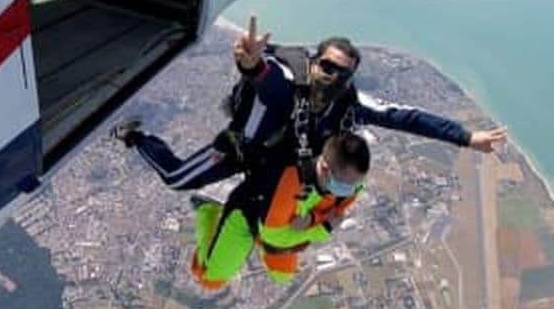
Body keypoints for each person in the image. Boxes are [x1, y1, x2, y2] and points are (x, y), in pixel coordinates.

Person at [113, 16, 506, 189]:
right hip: (240, 152)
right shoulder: (289, 82)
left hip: (282, 164)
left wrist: (465, 137)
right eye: (328, 67)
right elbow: (266, 76)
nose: (333, 77)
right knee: (176, 179)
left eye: (343, 74)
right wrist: (249, 62)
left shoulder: (349, 102)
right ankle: (136, 137)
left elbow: (406, 117)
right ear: (315, 61)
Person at [190, 132, 370, 289]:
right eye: (344, 185)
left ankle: (264, 232)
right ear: (324, 168)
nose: (350, 191)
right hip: (248, 213)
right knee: (210, 278)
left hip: (279, 222)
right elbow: (275, 238)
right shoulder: (291, 184)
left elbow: (335, 212)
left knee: (282, 275)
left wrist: (312, 219)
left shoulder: (349, 181)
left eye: (355, 185)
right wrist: (323, 230)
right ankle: (208, 207)